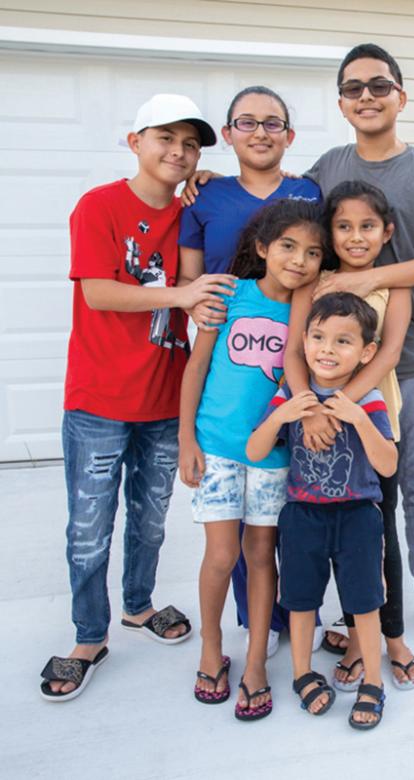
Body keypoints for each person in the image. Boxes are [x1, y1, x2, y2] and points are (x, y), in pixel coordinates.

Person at [39, 94, 237, 702]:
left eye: (191, 145)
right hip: (98, 400)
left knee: (150, 522)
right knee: (90, 526)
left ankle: (138, 605)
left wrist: (214, 180)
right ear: (135, 142)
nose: (178, 153)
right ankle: (87, 636)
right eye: (165, 139)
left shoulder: (192, 212)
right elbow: (99, 292)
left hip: (160, 401)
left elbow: (235, 214)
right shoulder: (99, 205)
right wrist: (181, 296)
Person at [305, 43, 414, 649]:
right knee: (350, 491)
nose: (367, 96)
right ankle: (357, 607)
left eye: (379, 85)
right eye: (353, 88)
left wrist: (374, 278)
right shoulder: (325, 168)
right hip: (343, 363)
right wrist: (213, 182)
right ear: (342, 102)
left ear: (401, 96)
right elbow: (282, 225)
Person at [178, 85, 322, 657]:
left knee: (266, 545)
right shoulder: (206, 199)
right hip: (220, 415)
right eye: (246, 122)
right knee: (225, 550)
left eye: (273, 123)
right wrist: (185, 434)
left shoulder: (309, 193)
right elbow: (192, 290)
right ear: (230, 131)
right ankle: (225, 640)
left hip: (275, 426)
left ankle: (265, 641)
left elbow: (338, 249)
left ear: (290, 135)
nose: (260, 132)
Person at [285, 179, 414, 690]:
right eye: (343, 226)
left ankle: (392, 638)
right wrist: (310, 410)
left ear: (385, 232)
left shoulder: (396, 283)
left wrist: (343, 407)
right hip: (313, 425)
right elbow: (293, 352)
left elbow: (387, 353)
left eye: (367, 226)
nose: (355, 236)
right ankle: (352, 630)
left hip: (372, 421)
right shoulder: (315, 280)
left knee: (378, 530)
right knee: (327, 530)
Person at [247, 292, 397, 731]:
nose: (327, 349)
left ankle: (373, 680)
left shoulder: (367, 398)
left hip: (357, 516)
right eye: (318, 337)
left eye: (343, 341)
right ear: (304, 341)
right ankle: (301, 673)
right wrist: (281, 417)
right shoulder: (292, 395)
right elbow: (255, 450)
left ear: (367, 352)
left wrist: (358, 417)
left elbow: (387, 464)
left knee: (365, 602)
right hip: (302, 515)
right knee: (300, 600)